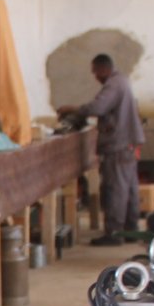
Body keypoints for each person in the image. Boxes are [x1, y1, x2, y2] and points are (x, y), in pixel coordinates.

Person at [58, 53, 146, 246]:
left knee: (116, 189)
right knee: (129, 187)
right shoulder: (122, 81)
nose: (95, 77)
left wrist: (72, 109)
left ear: (103, 69)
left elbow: (98, 107)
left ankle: (114, 233)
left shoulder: (114, 84)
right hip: (129, 144)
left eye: (95, 72)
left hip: (119, 144)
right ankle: (131, 230)